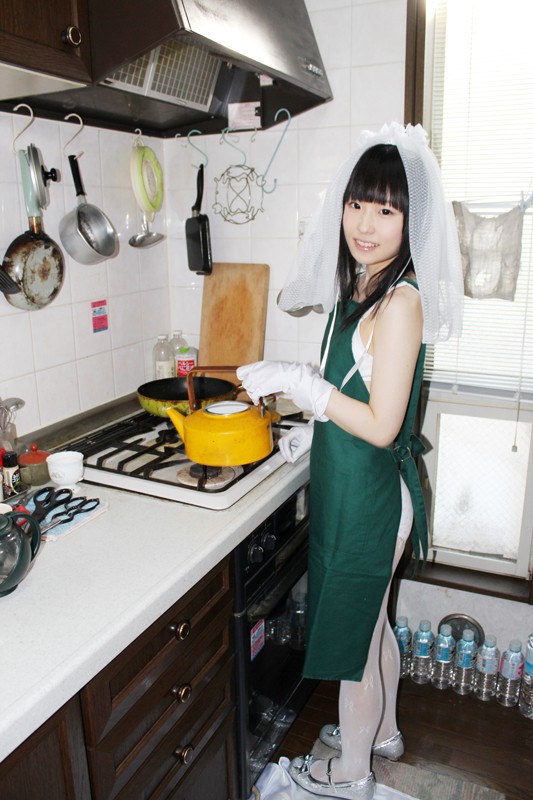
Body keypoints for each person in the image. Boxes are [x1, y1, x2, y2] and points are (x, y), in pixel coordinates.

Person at [237, 123, 463, 800]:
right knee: (374, 625)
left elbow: (383, 423)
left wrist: (303, 386)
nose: (365, 224)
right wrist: (315, 427)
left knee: (355, 645)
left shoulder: (401, 302)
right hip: (353, 487)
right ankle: (381, 733)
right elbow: (355, 393)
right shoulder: (362, 285)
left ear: (411, 221)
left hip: (371, 501)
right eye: (357, 204)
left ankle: (351, 771)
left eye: (386, 211)